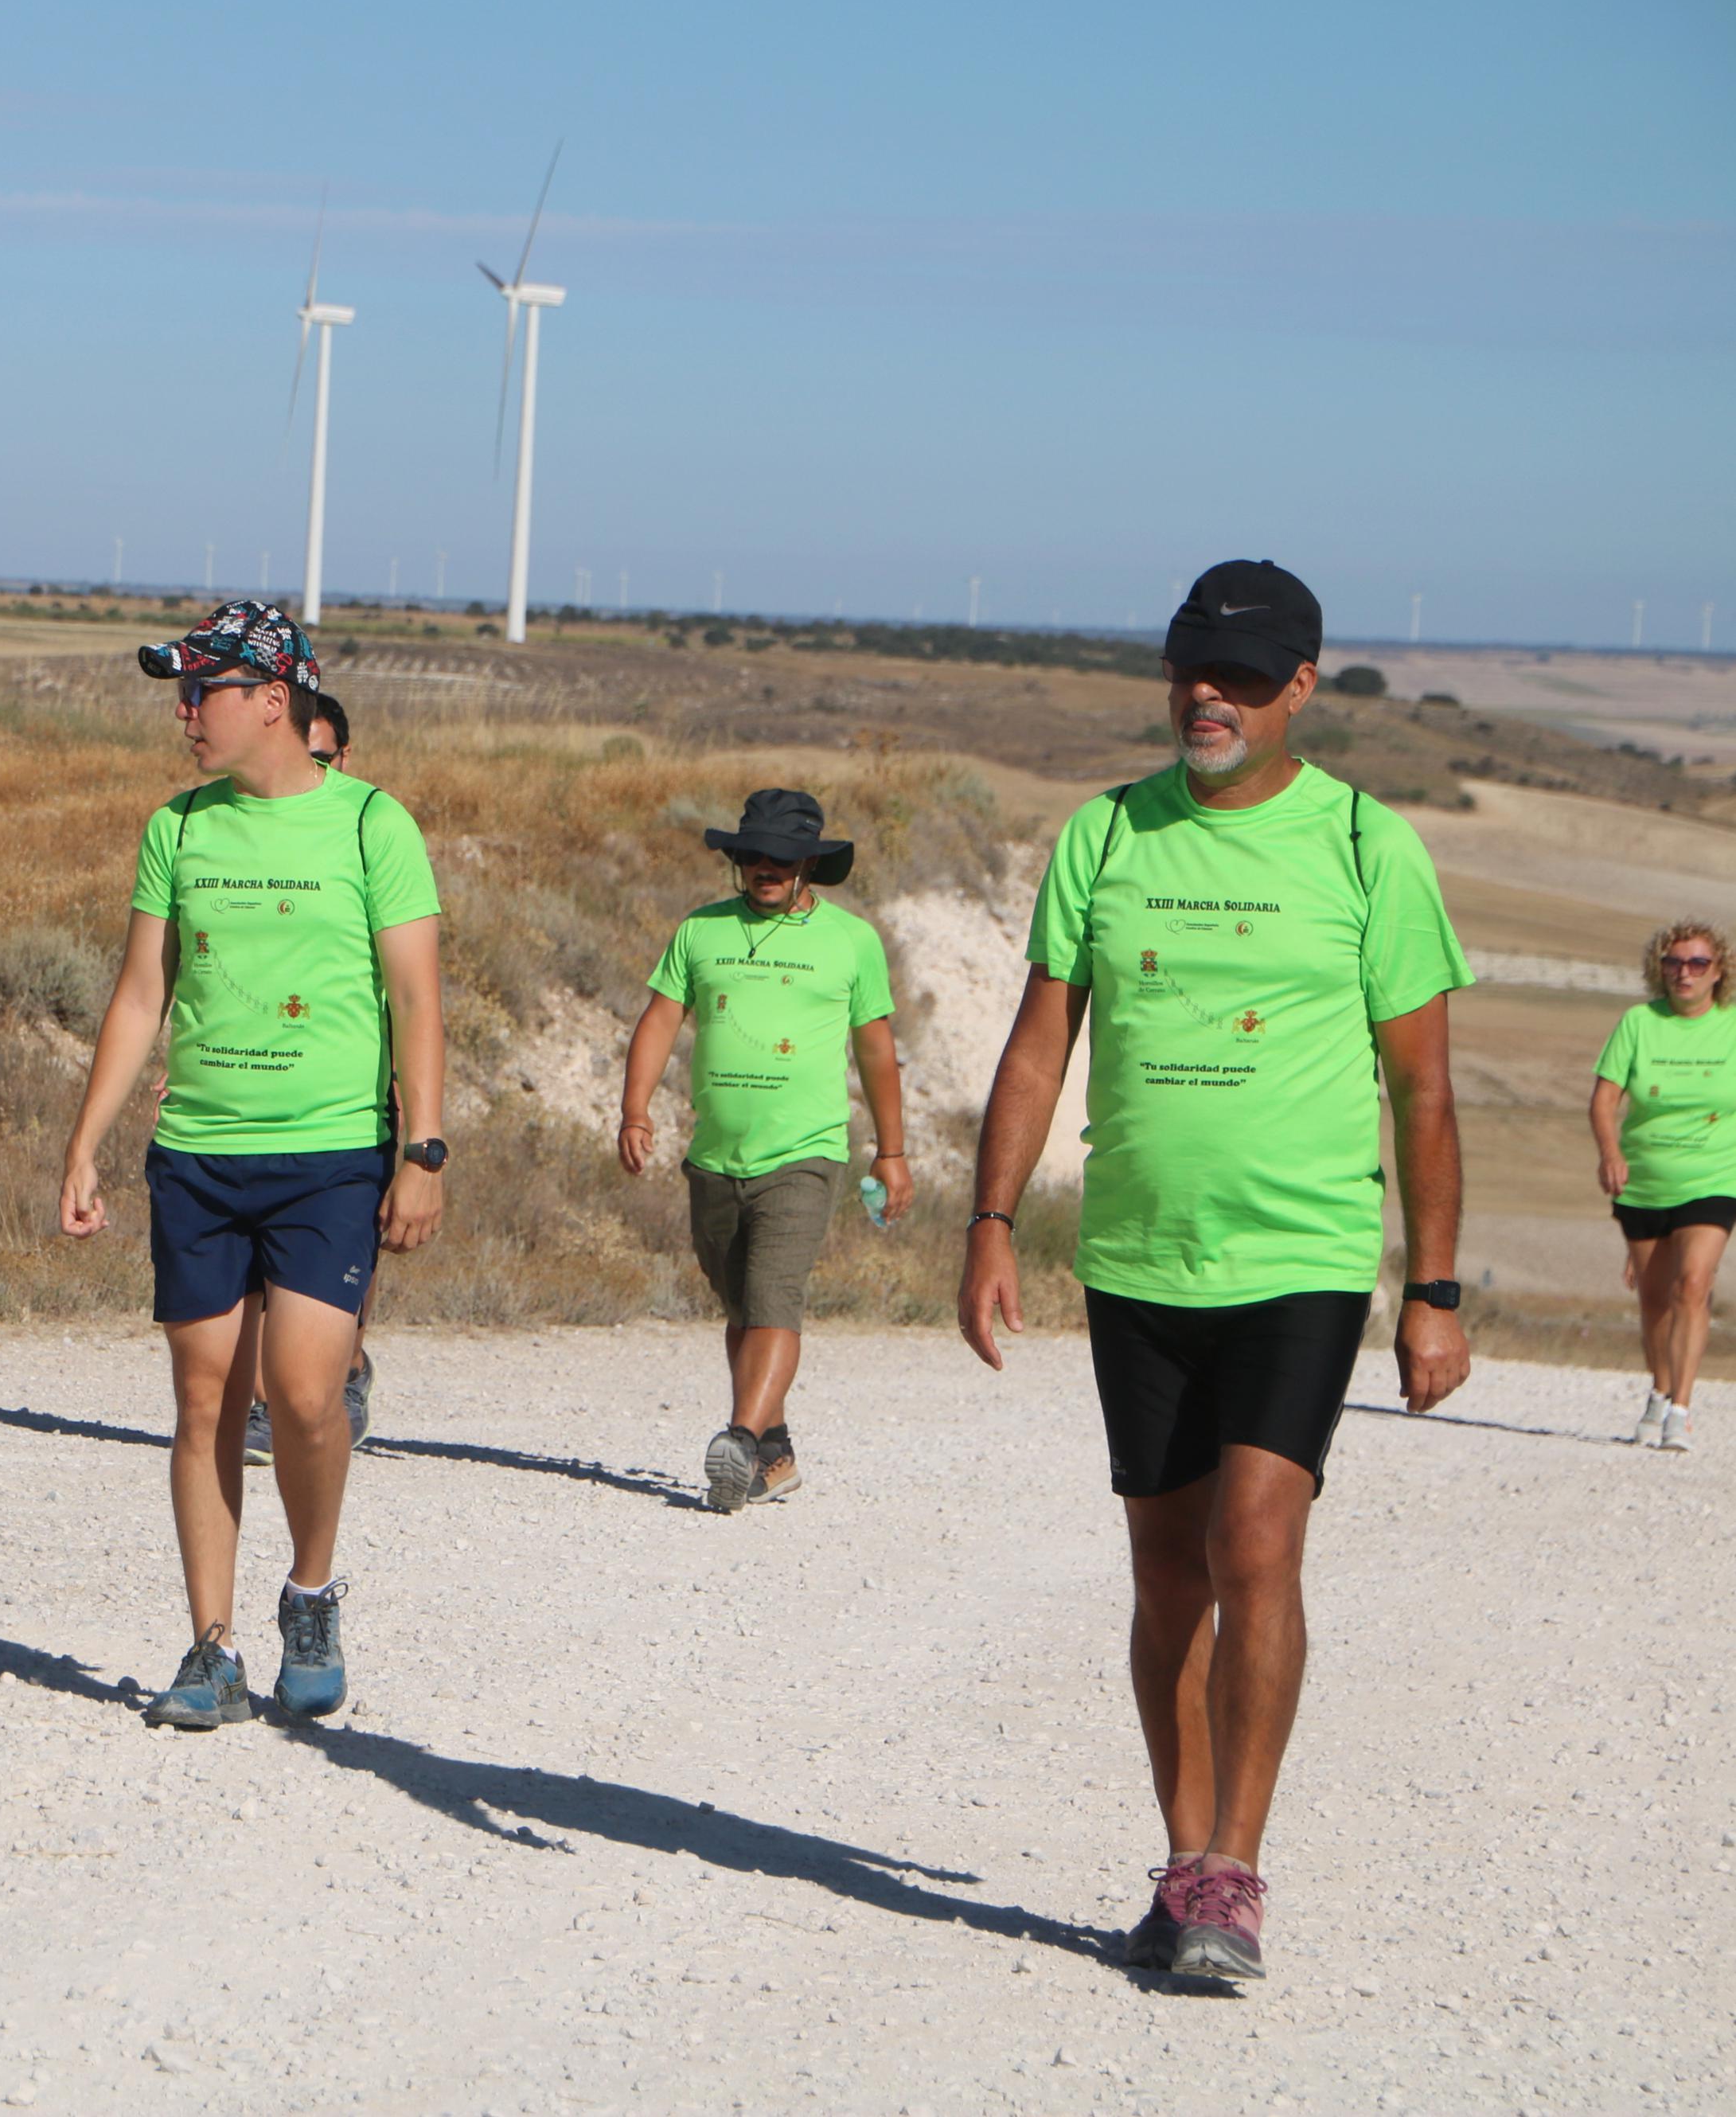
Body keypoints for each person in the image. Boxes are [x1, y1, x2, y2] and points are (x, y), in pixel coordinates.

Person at [955, 559, 1473, 1983]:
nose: (1207, 696)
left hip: (1300, 1252)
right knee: (1166, 1574)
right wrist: (989, 1220)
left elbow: (1421, 1091)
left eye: (1241, 677)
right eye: (1190, 666)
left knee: (1255, 1544)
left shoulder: (1368, 847)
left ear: (1299, 686)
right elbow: (1035, 1042)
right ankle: (1184, 1863)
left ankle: (1235, 1871)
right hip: (1134, 1256)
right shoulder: (1106, 836)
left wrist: (1430, 1292)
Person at [59, 602, 445, 1730]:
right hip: (198, 1156)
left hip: (330, 1153)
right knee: (201, 1404)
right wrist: (84, 1140)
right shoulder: (174, 827)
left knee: (309, 1394)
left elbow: (417, 999)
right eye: (180, 694)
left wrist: (421, 1150)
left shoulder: (374, 824)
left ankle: (310, 1590)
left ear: (270, 697)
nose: (184, 715)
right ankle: (210, 1645)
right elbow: (142, 993)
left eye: (202, 692)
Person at [618, 789, 911, 1510]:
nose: (765, 867)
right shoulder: (700, 931)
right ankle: (773, 1452)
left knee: (775, 1297)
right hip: (715, 1154)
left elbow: (875, 1050)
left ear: (809, 862)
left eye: (781, 856)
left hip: (805, 1154)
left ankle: (740, 1440)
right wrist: (634, 1108)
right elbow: (659, 1020)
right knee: (742, 1307)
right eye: (752, 853)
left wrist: (891, 1150)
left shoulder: (851, 941)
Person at [245, 687, 381, 1463]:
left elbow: (404, 980)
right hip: (262, 1079)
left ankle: (348, 1366)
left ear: (343, 757)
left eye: (320, 759)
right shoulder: (249, 835)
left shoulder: (369, 833)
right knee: (264, 1254)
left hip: (356, 1086)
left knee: (347, 1250)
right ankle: (269, 1404)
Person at [1590, 919, 1732, 1452]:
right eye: (1674, 962)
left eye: (1697, 963)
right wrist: (1610, 1152)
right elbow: (1603, 1101)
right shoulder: (1637, 1023)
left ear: (1718, 972)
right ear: (1659, 968)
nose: (1684, 973)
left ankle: (1680, 1408)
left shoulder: (1731, 1026)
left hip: (1715, 1177)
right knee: (1654, 1301)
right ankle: (1659, 1390)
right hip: (1645, 1182)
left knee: (1692, 1285)